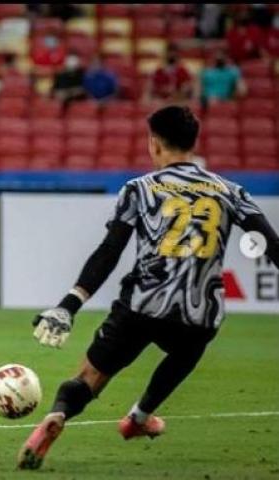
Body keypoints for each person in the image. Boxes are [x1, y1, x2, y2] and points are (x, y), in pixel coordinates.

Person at [16, 105, 279, 470]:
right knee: (189, 348)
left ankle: (58, 415)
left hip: (141, 305)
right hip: (197, 311)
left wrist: (69, 305)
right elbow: (270, 245)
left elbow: (109, 251)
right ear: (193, 143)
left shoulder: (139, 189)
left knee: (88, 379)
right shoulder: (230, 191)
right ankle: (138, 418)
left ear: (153, 143)